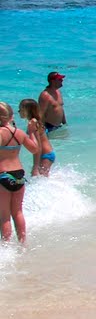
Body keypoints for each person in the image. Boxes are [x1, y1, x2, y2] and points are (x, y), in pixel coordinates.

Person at [1, 101, 39, 244]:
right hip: (19, 176)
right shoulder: (20, 133)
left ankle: (6, 249)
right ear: (11, 116)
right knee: (17, 212)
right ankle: (22, 245)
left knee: (4, 216)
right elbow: (35, 149)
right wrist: (32, 132)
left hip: (3, 176)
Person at [18, 99, 53, 177]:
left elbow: (38, 146)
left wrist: (35, 166)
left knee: (39, 178)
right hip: (46, 154)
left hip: (45, 155)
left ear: (27, 110)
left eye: (20, 109)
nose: (18, 111)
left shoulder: (33, 123)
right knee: (41, 180)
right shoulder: (35, 121)